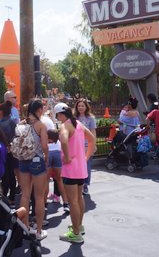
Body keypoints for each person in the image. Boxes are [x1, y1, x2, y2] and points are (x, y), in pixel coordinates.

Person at [55, 103, 95, 244]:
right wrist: (86, 157)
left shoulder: (65, 126)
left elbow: (64, 140)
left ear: (60, 115)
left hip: (71, 170)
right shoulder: (78, 123)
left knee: (73, 202)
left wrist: (66, 157)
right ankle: (78, 226)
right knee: (78, 199)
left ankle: (76, 233)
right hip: (81, 168)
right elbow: (92, 140)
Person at [16, 99, 49, 240]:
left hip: (23, 160)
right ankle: (39, 231)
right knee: (39, 196)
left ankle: (25, 228)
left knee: (25, 195)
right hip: (37, 161)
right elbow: (45, 146)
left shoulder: (22, 124)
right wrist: (46, 158)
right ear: (39, 110)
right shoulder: (40, 125)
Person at [0, 101, 18, 204]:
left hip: (3, 151)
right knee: (12, 174)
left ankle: (4, 197)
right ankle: (12, 197)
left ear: (1, 112)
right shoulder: (13, 122)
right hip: (12, 150)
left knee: (4, 175)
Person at [75, 98, 96, 195]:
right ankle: (78, 184)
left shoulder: (90, 118)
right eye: (79, 106)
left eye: (82, 106)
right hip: (77, 145)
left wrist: (93, 145)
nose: (80, 107)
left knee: (87, 166)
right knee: (77, 166)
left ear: (86, 107)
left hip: (87, 145)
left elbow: (93, 132)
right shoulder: (74, 118)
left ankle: (85, 185)